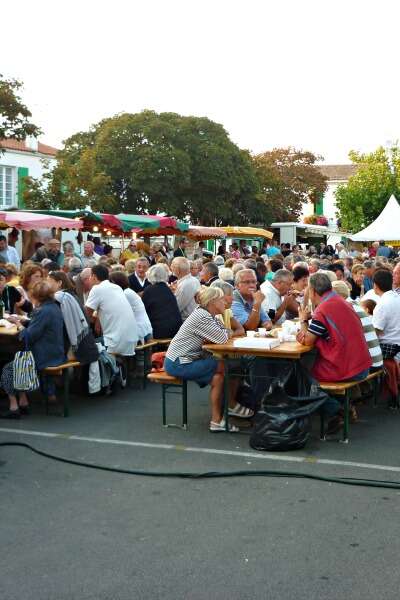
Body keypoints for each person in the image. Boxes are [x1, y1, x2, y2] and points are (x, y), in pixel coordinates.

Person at [165, 287, 247, 432]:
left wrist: (227, 331)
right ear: (213, 302)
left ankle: (216, 421)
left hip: (182, 360)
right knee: (227, 365)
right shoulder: (202, 316)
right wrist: (227, 327)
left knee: (218, 378)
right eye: (222, 299)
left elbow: (222, 333)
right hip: (179, 363)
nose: (225, 303)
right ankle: (231, 404)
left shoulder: (206, 314)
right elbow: (222, 337)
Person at [297, 273, 371, 433]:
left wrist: (303, 320)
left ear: (313, 291)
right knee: (311, 369)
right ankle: (341, 409)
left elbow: (307, 340)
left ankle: (337, 410)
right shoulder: (342, 302)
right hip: (362, 363)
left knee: (302, 376)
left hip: (347, 367)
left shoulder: (323, 310)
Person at [1, 281, 66, 418]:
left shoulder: (42, 311)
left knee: (8, 368)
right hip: (55, 352)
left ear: (36, 296)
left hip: (44, 356)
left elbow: (28, 337)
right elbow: (40, 328)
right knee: (16, 360)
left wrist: (18, 323)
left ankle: (14, 406)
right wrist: (26, 322)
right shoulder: (53, 307)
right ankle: (23, 402)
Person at [85, 264, 138, 355]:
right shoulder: (116, 287)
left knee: (84, 349)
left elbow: (86, 314)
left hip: (115, 342)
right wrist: (98, 318)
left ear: (93, 276)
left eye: (90, 276)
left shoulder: (97, 289)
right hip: (132, 339)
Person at [332, 281, 383, 371]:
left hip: (369, 364)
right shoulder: (355, 306)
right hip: (377, 360)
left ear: (339, 296)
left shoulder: (346, 309)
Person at [109, 271, 153, 343]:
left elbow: (115, 313)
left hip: (140, 333)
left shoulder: (125, 293)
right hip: (144, 330)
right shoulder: (128, 291)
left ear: (114, 283)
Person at [141, 264, 182, 339]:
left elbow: (143, 311)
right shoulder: (167, 289)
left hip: (160, 331)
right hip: (176, 329)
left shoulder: (149, 290)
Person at [372, 269, 400, 359]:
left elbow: (375, 331)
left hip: (389, 348)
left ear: (375, 285)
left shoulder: (382, 303)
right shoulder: (396, 297)